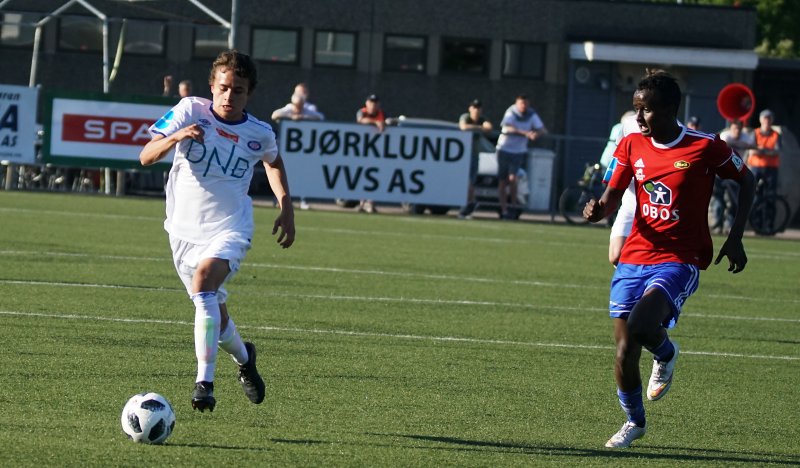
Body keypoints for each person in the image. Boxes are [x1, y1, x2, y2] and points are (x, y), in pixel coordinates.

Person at [583, 69, 754, 449]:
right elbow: (612, 195)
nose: (640, 118)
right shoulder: (630, 144)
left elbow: (748, 180)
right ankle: (634, 421)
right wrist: (598, 209)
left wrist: (736, 236)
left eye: (647, 111)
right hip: (636, 252)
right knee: (625, 348)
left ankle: (667, 351)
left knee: (644, 326)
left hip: (680, 257)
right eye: (636, 110)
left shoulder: (706, 146)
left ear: (671, 110)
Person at [140, 50, 296, 412]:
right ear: (212, 86)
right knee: (214, 313)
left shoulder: (259, 133)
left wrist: (286, 206)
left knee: (205, 283)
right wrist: (176, 136)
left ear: (249, 94)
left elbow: (273, 162)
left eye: (238, 91)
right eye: (224, 88)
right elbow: (146, 155)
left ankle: (204, 383)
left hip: (231, 227)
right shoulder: (190, 111)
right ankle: (244, 358)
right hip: (182, 231)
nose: (229, 97)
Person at [495, 94, 547, 219]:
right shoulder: (511, 112)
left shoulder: (531, 114)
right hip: (504, 149)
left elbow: (543, 129)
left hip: (518, 151)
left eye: (525, 104)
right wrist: (525, 133)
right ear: (517, 104)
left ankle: (512, 207)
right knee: (503, 181)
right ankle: (503, 209)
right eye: (521, 103)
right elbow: (507, 127)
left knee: (513, 179)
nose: (523, 106)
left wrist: (536, 134)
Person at [715, 120, 755, 233]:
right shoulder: (725, 136)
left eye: (738, 129)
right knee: (718, 200)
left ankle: (728, 225)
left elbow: (753, 148)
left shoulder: (746, 138)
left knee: (733, 201)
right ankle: (717, 225)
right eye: (734, 128)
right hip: (721, 171)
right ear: (730, 129)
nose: (736, 131)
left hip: (735, 172)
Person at [457, 99, 493, 219]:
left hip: (474, 155)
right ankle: (467, 205)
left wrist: (477, 128)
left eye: (478, 108)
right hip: (463, 155)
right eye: (474, 107)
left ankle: (468, 206)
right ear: (470, 108)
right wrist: (479, 127)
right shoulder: (466, 117)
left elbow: (488, 128)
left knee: (471, 182)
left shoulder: (483, 118)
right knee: (465, 182)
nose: (476, 110)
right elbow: (463, 127)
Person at [355, 94, 386, 213]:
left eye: (375, 102)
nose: (373, 105)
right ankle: (362, 203)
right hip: (362, 150)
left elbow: (385, 123)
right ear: (366, 103)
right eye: (371, 102)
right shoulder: (362, 112)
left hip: (376, 151)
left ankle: (371, 203)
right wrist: (375, 122)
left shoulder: (381, 113)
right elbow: (360, 120)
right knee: (361, 176)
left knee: (373, 176)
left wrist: (382, 123)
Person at [748, 109, 781, 195]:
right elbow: (752, 151)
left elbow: (777, 152)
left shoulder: (776, 135)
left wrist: (761, 150)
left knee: (771, 193)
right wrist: (769, 152)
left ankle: (768, 208)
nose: (767, 121)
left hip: (771, 168)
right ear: (760, 120)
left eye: (769, 118)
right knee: (752, 191)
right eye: (765, 118)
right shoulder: (755, 133)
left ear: (772, 120)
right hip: (756, 167)